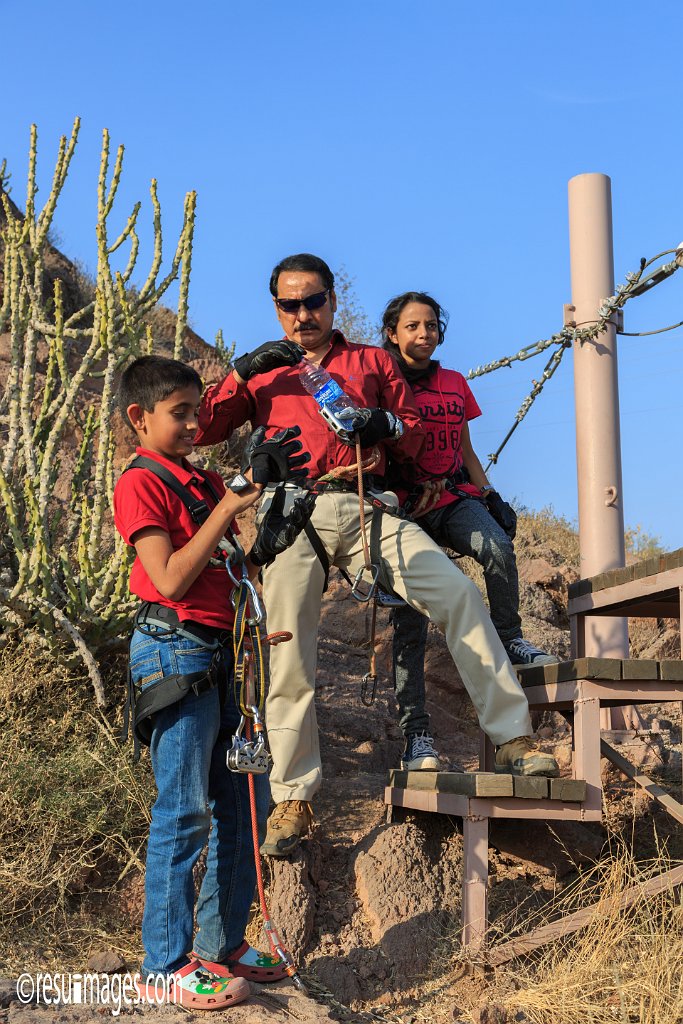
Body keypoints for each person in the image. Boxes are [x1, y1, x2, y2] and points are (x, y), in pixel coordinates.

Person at [195, 253, 559, 859]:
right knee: (287, 652)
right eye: (290, 304)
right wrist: (239, 372)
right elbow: (202, 427)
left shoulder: (370, 361)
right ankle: (293, 797)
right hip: (291, 517)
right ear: (277, 309)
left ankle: (514, 738)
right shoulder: (265, 374)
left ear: (334, 301)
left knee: (458, 595)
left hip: (368, 509)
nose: (303, 314)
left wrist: (384, 422)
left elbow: (417, 429)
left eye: (313, 301)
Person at [113, 355, 314, 1010]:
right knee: (184, 809)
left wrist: (264, 541)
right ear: (139, 417)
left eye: (199, 412)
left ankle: (220, 946)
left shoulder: (198, 482)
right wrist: (231, 500)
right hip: (174, 654)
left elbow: (221, 572)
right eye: (180, 414)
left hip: (225, 656)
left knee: (244, 809)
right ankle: (164, 965)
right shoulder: (141, 482)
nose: (196, 424)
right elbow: (169, 579)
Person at [381, 291, 558, 770]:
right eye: (413, 326)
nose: (424, 334)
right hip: (403, 508)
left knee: (498, 546)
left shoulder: (455, 382)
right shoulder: (381, 381)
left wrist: (491, 495)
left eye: (432, 325)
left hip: (451, 496)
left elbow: (467, 450)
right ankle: (417, 736)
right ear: (392, 333)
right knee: (410, 623)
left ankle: (511, 637)